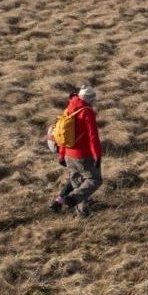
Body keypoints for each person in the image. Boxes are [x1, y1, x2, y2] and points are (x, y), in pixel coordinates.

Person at [50, 85, 104, 217]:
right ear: (90, 99)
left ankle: (82, 214)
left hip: (69, 155)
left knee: (77, 184)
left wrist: (62, 155)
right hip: (83, 155)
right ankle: (71, 199)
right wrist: (97, 156)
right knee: (94, 180)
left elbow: (63, 136)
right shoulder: (87, 112)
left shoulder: (69, 108)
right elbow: (93, 137)